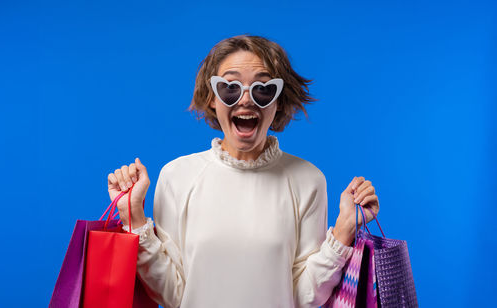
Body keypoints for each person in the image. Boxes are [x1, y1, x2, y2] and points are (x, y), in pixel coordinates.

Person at [107, 35, 380, 308]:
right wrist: (134, 217)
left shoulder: (308, 179)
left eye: (263, 89)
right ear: (212, 98)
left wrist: (344, 229)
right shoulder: (177, 176)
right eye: (230, 87)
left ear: (279, 101)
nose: (246, 100)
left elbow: (302, 297)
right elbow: (172, 294)